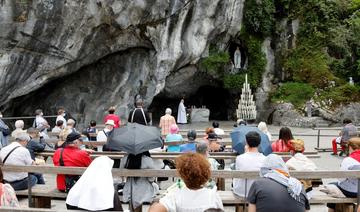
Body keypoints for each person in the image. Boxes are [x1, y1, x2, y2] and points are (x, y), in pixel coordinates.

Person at [148, 153, 224, 212]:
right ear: (205, 173)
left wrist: (155, 204)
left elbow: (155, 209)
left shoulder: (175, 194)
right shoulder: (212, 194)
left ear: (182, 174)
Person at [327, 137, 360, 211]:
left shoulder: (348, 160)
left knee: (331, 185)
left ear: (351, 147)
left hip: (351, 191)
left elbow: (341, 178)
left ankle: (331, 210)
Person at [233, 131, 266, 197]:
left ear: (246, 142)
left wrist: (245, 152)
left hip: (242, 191)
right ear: (259, 144)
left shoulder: (239, 158)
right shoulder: (265, 159)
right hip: (258, 191)